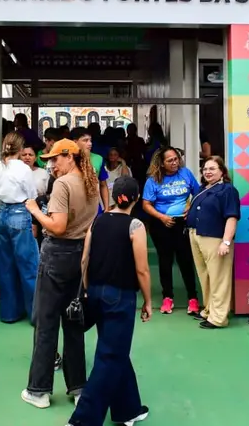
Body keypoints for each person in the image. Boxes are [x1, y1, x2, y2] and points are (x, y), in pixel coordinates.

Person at [66, 177, 152, 426]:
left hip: (95, 292)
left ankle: (129, 409)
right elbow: (142, 270)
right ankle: (82, 420)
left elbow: (84, 260)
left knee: (115, 350)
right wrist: (147, 301)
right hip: (120, 297)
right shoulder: (135, 225)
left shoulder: (98, 220)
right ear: (135, 198)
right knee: (110, 356)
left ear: (115, 196)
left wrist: (86, 290)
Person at [22, 139, 99, 409]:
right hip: (82, 257)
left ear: (70, 157)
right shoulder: (90, 184)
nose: (51, 164)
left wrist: (34, 210)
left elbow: (57, 226)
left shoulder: (64, 185)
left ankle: (38, 390)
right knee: (74, 322)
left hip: (57, 254)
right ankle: (78, 387)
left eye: (56, 159)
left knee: (46, 325)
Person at [141, 146, 202, 316]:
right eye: (170, 160)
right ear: (161, 163)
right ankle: (167, 297)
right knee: (165, 261)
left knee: (185, 260)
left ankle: (193, 298)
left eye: (176, 159)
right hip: (162, 225)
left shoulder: (186, 173)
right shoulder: (153, 179)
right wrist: (161, 217)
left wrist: (190, 206)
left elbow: (197, 194)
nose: (175, 163)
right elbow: (146, 204)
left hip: (182, 224)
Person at [185, 156, 239, 329]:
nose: (207, 172)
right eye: (205, 169)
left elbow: (231, 217)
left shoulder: (227, 190)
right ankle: (209, 310)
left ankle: (219, 318)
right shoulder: (203, 189)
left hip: (215, 238)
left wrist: (226, 242)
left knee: (219, 278)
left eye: (212, 169)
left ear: (222, 171)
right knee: (205, 277)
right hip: (196, 235)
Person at [0, 134, 39, 324]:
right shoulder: (23, 168)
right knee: (28, 265)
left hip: (1, 215)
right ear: (20, 149)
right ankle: (36, 315)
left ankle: (9, 313)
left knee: (5, 266)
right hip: (20, 212)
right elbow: (32, 193)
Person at [71, 127, 110, 212]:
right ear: (75, 142)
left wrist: (106, 208)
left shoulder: (98, 159)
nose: (90, 143)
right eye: (85, 140)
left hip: (94, 206)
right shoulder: (68, 159)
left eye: (90, 140)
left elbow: (103, 185)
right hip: (73, 207)